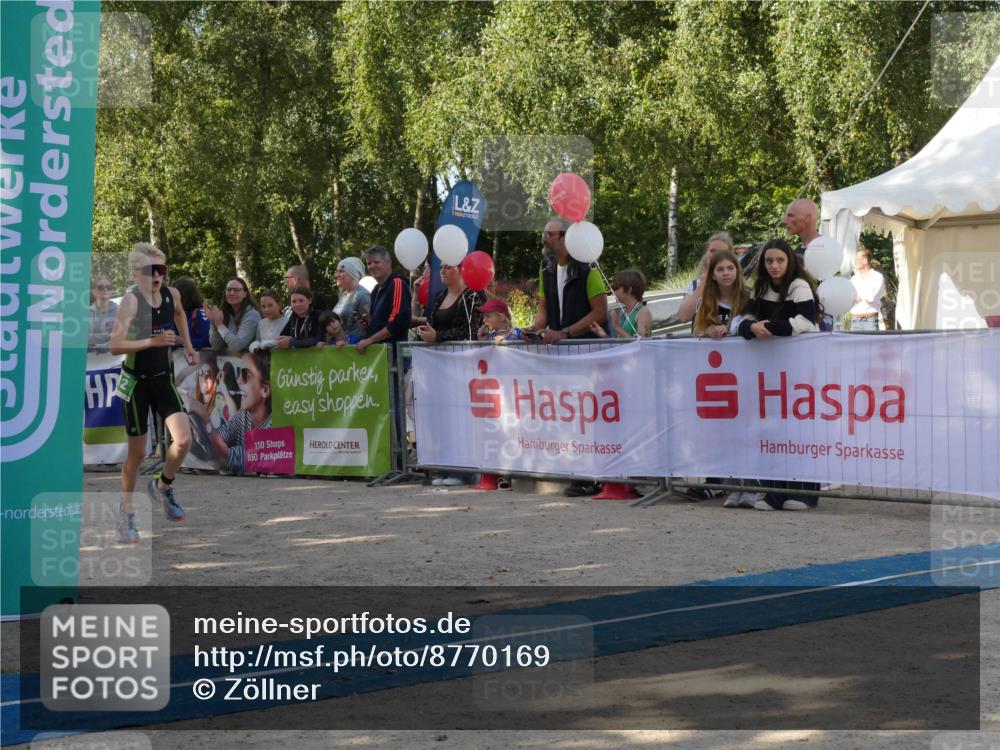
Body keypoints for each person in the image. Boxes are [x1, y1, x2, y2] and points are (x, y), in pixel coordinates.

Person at [109, 242, 196, 543]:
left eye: (162, 269)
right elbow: (115, 345)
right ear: (136, 274)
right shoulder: (131, 302)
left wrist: (188, 345)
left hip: (163, 379)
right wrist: (152, 341)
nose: (157, 275)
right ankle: (126, 512)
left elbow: (182, 315)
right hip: (135, 383)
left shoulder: (172, 295)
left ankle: (162, 485)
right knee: (137, 453)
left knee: (184, 440)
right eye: (150, 271)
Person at [737, 238, 822, 511]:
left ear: (789, 262)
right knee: (772, 429)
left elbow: (806, 322)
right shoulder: (759, 288)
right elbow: (741, 320)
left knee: (801, 429)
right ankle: (775, 491)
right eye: (769, 261)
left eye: (779, 261)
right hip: (771, 371)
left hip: (801, 368)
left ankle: (806, 492)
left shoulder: (799, 287)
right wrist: (751, 328)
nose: (774, 266)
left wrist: (769, 327)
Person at [187, 350, 272, 475]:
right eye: (238, 373)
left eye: (245, 375)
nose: (238, 380)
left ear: (264, 389)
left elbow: (237, 456)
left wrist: (206, 422)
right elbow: (223, 435)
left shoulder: (274, 425)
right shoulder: (244, 415)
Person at [530, 218, 608, 344]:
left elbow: (600, 312)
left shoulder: (588, 266)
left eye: (549, 234)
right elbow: (543, 307)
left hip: (587, 349)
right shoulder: (545, 267)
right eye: (543, 234)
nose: (544, 239)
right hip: (559, 350)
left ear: (566, 238)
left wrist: (565, 333)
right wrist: (535, 330)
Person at [356, 245, 412, 354]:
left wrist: (370, 340)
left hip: (395, 356)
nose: (372, 266)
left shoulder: (397, 283)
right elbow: (381, 323)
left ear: (388, 263)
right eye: (369, 263)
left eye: (376, 262)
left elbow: (397, 322)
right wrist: (367, 323)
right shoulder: (376, 289)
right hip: (379, 355)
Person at [416, 262, 485, 345]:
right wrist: (423, 333)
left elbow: (471, 331)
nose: (442, 271)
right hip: (436, 355)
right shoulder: (440, 295)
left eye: (448, 267)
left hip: (460, 355)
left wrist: (438, 336)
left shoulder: (471, 296)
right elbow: (431, 324)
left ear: (461, 269)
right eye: (441, 267)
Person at [676, 232, 735, 324]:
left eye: (721, 252)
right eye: (712, 251)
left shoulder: (738, 286)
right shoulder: (695, 285)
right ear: (706, 254)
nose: (716, 255)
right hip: (702, 337)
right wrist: (704, 283)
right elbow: (683, 317)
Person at [691, 250, 748, 339]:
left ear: (737, 271)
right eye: (720, 269)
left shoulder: (750, 298)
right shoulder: (704, 301)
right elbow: (695, 331)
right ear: (713, 275)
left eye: (730, 268)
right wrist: (707, 331)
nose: (726, 273)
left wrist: (729, 329)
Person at [589, 268, 653, 338]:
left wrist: (617, 327)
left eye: (616, 287)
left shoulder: (643, 313)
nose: (613, 291)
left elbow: (642, 344)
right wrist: (604, 336)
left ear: (629, 289)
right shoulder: (623, 312)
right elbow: (620, 342)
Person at [207, 277, 261, 354]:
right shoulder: (226, 313)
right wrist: (214, 322)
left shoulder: (252, 315)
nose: (231, 293)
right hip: (232, 362)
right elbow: (216, 345)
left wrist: (220, 325)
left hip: (251, 362)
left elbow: (237, 346)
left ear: (245, 294)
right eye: (229, 289)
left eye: (236, 290)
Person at [333, 257, 371, 341]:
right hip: (342, 348)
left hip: (357, 349)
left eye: (341, 271)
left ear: (353, 273)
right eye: (337, 271)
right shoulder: (344, 295)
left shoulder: (362, 295)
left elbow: (370, 326)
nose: (337, 275)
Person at [850, 246, 885, 331]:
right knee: (854, 344)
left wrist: (858, 295)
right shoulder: (854, 279)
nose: (855, 262)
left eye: (857, 260)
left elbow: (871, 297)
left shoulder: (877, 277)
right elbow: (851, 298)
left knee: (872, 344)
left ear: (865, 261)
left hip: (870, 320)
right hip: (855, 320)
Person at [172, 276, 211, 350]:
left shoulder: (200, 313)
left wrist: (182, 341)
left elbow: (208, 342)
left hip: (201, 359)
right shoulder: (175, 315)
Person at [88, 275, 118, 352]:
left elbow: (122, 337)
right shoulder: (85, 313)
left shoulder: (120, 311)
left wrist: (103, 346)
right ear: (93, 291)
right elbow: (81, 338)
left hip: (115, 361)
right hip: (90, 361)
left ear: (112, 291)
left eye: (108, 287)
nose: (105, 289)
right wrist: (109, 336)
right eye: (100, 287)